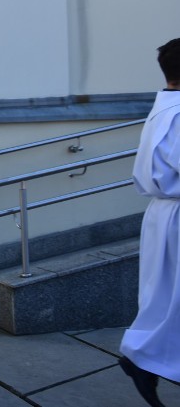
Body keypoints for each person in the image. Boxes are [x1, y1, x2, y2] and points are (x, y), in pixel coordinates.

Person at [119, 38, 180, 407]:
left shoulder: (165, 107)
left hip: (166, 213)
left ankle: (145, 360)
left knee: (166, 297)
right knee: (170, 298)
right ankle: (142, 358)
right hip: (175, 212)